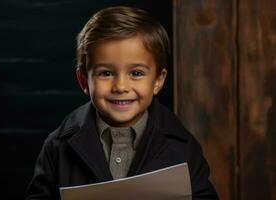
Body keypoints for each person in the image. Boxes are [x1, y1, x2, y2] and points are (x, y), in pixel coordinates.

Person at [25, 6, 218, 200]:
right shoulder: (58, 146)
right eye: (106, 73)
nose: (120, 86)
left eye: (136, 73)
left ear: (158, 81)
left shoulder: (183, 145)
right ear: (84, 81)